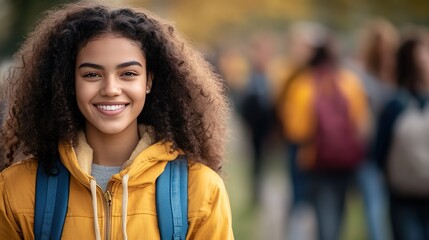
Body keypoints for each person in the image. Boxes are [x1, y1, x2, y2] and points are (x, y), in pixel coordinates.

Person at [0, 1, 234, 239]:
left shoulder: (201, 190)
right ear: (69, 82)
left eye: (128, 74)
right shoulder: (16, 189)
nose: (111, 89)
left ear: (149, 81)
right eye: (92, 74)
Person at [280, 26, 370, 240]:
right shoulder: (350, 82)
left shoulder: (303, 85)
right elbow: (362, 124)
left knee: (322, 217)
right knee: (339, 213)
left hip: (316, 161)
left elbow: (295, 130)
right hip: (346, 162)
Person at [374, 28, 429, 240]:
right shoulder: (395, 106)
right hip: (403, 197)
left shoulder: (394, 104)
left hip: (401, 194)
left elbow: (379, 152)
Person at [348, 18, 399, 240]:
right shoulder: (361, 77)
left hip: (391, 153)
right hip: (372, 153)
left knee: (380, 210)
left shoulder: (395, 77)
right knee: (376, 209)